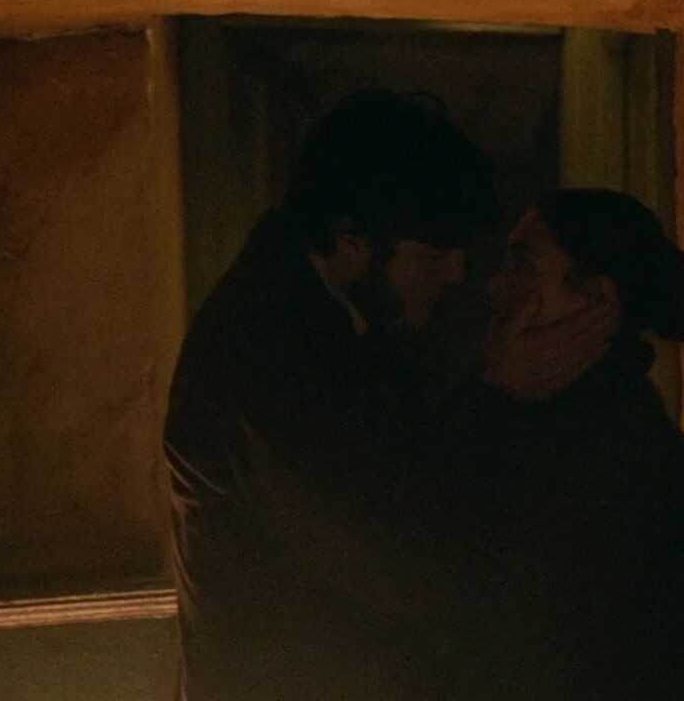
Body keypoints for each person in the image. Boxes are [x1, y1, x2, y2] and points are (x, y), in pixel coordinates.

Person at [163, 91, 616, 701]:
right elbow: (401, 559)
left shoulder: (322, 313)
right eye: (434, 252)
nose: (457, 272)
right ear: (350, 241)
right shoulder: (267, 350)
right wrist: (496, 400)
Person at [449, 189, 684, 701]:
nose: (496, 287)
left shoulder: (608, 445)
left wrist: (489, 401)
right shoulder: (554, 416)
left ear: (597, 300)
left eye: (523, 266)